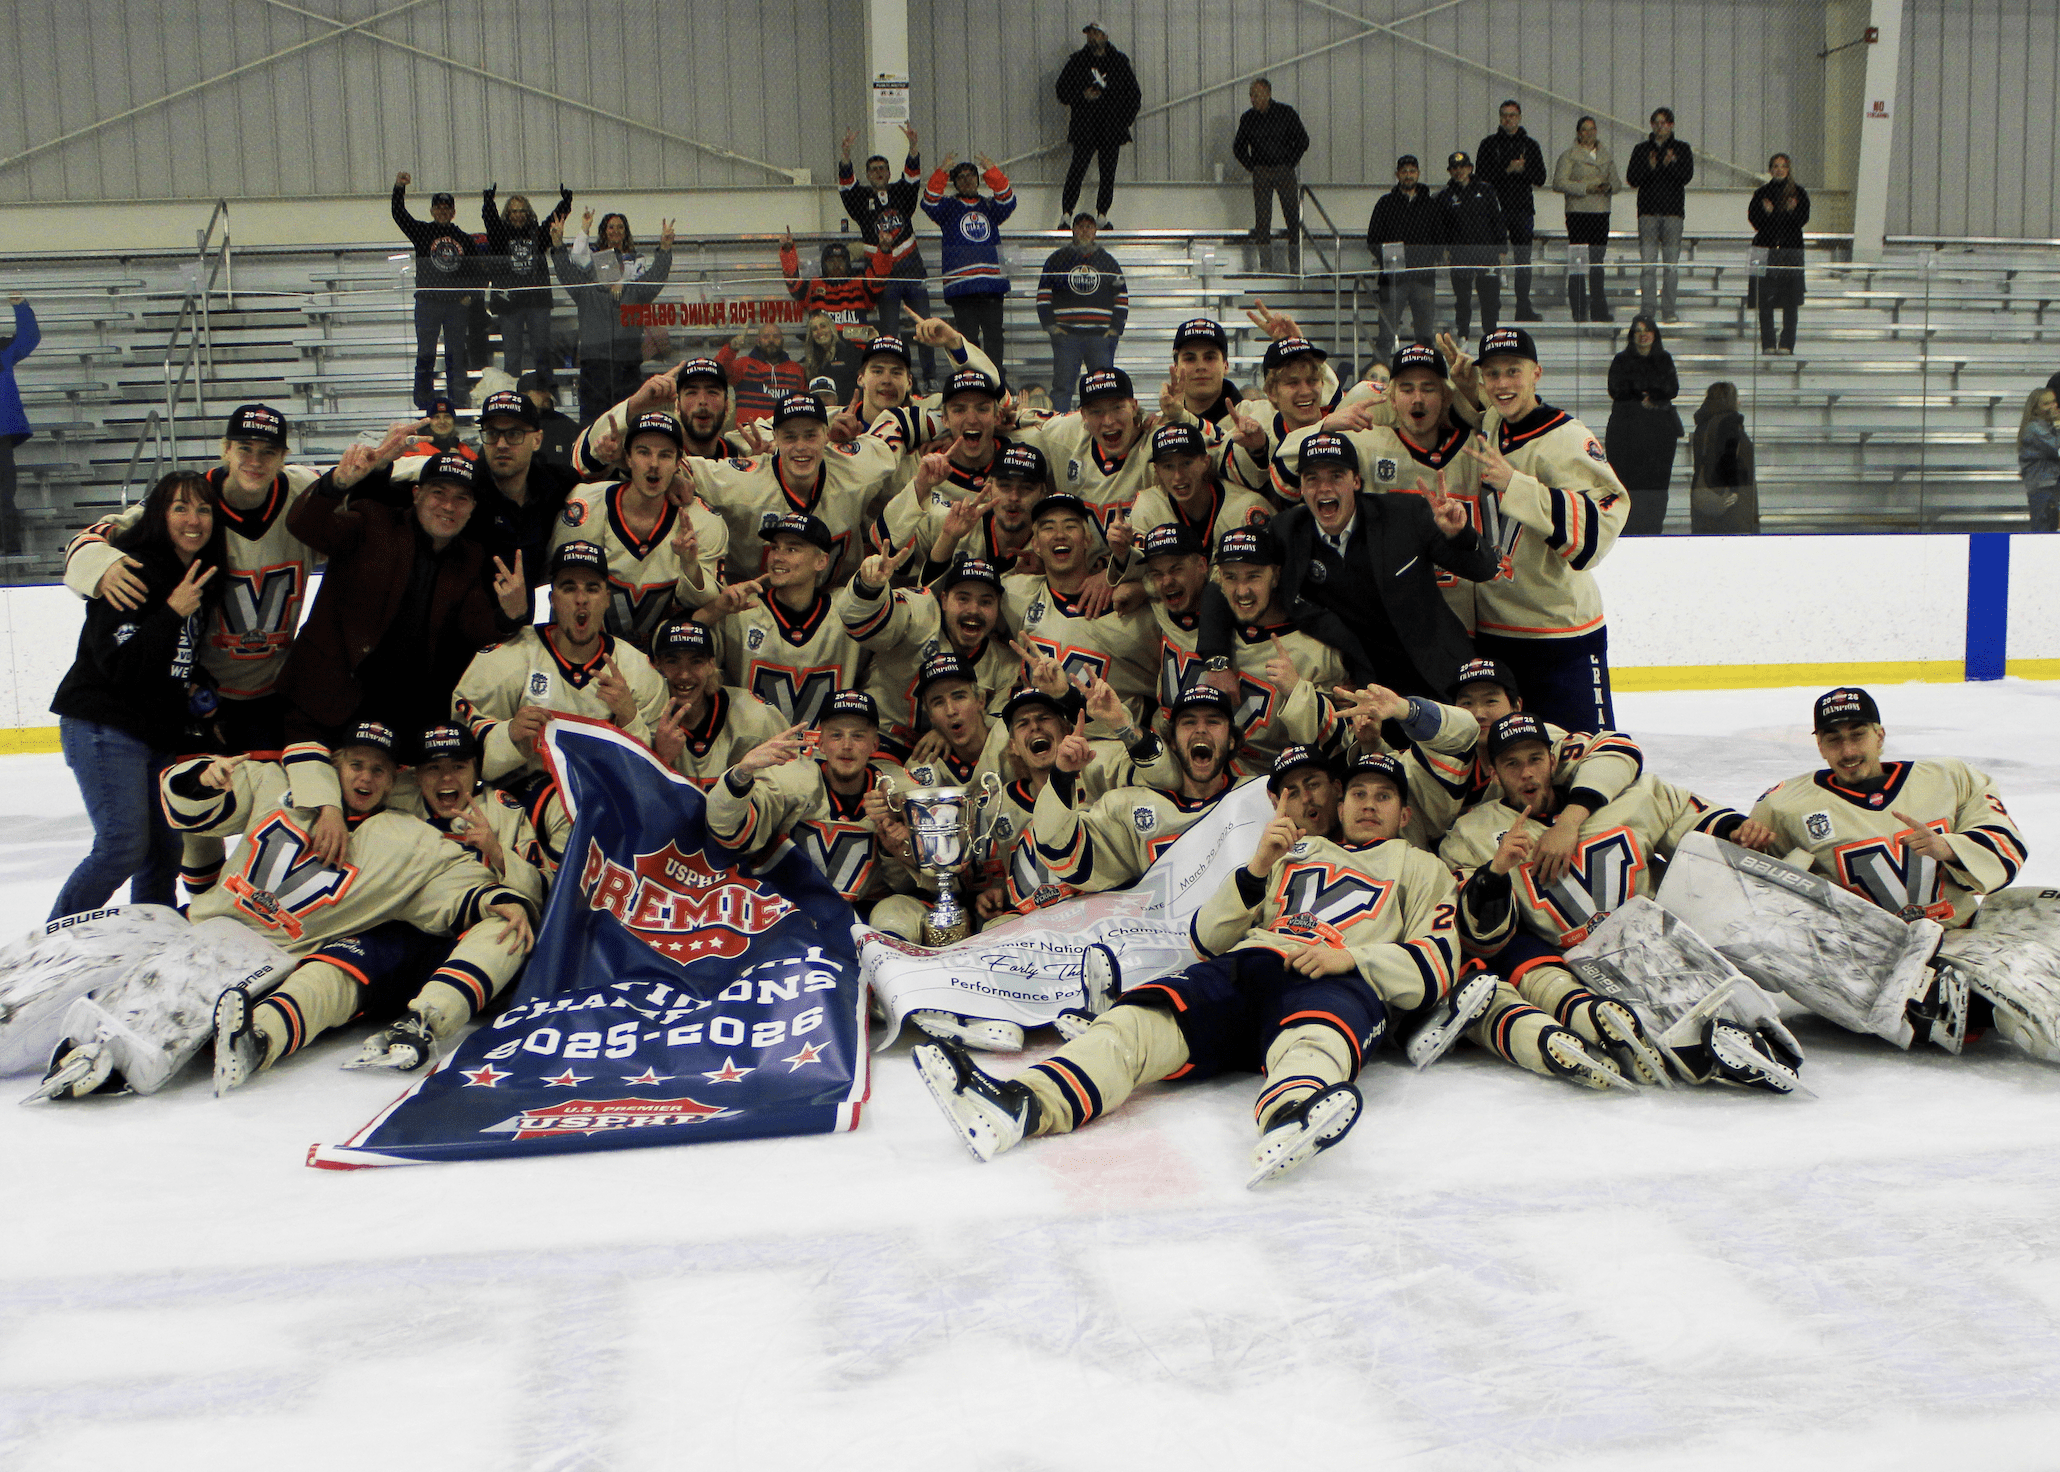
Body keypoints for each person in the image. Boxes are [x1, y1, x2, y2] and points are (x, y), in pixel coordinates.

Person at [914, 751, 1461, 1186]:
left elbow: (1438, 961)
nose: (1369, 805)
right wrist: (1256, 869)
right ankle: (1022, 1104)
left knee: (1316, 1037)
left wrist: (1354, 958)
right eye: (1359, 793)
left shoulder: (1421, 866)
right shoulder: (1296, 850)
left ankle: (1292, 1113)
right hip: (1250, 965)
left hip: (1334, 979)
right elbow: (1206, 938)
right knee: (1135, 1021)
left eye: (1384, 796)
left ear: (1405, 814)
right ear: (1341, 805)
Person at [1439, 712, 1755, 1090]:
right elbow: (1482, 939)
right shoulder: (1471, 833)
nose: (1527, 773)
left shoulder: (1624, 797)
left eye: (1535, 759)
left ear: (1552, 760)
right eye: (1512, 764)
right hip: (1576, 967)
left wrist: (1736, 829)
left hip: (1658, 943)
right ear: (1494, 772)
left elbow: (1681, 811)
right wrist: (1495, 873)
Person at [63, 404, 324, 755]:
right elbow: (103, 533)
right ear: (225, 449)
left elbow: (354, 485)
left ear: (283, 458)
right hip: (202, 695)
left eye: (268, 452)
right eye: (244, 448)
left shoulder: (302, 488)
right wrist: (102, 564)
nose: (255, 461)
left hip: (273, 694)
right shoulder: (190, 498)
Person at [47, 472, 225, 920]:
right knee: (122, 846)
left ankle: (151, 942)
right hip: (104, 725)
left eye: (203, 509)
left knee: (165, 850)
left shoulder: (196, 575)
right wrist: (172, 612)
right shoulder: (133, 570)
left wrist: (197, 686)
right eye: (180, 508)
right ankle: (55, 937)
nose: (194, 520)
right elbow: (121, 665)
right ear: (160, 515)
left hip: (153, 732)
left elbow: (174, 657)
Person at [281, 446, 528, 747]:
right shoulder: (372, 521)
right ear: (416, 494)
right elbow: (304, 524)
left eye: (461, 498)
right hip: (323, 702)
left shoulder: (469, 556)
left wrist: (510, 615)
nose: (448, 506)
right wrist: (336, 484)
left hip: (402, 715)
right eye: (438, 493)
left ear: (473, 507)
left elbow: (473, 628)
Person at [1457, 328, 1630, 730]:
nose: (1502, 383)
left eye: (1513, 371)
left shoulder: (1568, 438)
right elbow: (1478, 411)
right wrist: (1464, 391)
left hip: (1561, 636)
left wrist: (1515, 485)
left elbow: (1603, 525)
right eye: (1492, 374)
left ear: (1536, 373)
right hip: (1496, 634)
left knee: (1582, 750)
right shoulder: (1493, 423)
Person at [1253, 430, 1496, 696]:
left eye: (1336, 476)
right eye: (1312, 478)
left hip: (1440, 672)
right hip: (1367, 685)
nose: (1324, 488)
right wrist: (1219, 659)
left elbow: (1483, 569)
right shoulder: (1286, 531)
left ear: (1356, 481)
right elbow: (1236, 576)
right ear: (1301, 488)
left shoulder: (1405, 514)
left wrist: (1459, 534)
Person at [691, 513, 864, 728]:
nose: (777, 557)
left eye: (792, 549)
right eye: (774, 547)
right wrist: (716, 609)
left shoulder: (846, 612)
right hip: (753, 745)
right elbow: (685, 640)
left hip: (827, 747)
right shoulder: (742, 609)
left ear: (821, 561)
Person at [549, 210, 675, 426]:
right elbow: (565, 272)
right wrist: (558, 245)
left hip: (627, 366)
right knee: (592, 424)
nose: (609, 270)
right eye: (604, 265)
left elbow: (656, 277)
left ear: (623, 268)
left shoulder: (634, 292)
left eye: (615, 265)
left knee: (629, 423)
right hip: (594, 368)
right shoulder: (586, 292)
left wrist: (664, 248)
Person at [839, 123, 937, 389]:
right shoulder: (859, 199)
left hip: (912, 269)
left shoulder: (901, 193)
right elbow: (846, 186)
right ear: (867, 175)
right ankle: (899, 382)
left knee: (925, 327)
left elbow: (912, 178)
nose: (879, 172)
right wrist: (846, 156)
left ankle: (929, 379)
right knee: (890, 333)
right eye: (873, 169)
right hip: (883, 274)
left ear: (889, 172)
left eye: (883, 168)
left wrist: (913, 148)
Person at [392, 172, 483, 409]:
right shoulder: (422, 232)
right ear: (432, 211)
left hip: (455, 306)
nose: (442, 212)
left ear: (453, 212)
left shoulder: (464, 239)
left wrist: (468, 296)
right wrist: (399, 188)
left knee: (456, 354)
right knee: (425, 354)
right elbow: (399, 215)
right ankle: (424, 403)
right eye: (438, 208)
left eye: (446, 208)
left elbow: (479, 273)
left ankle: (458, 401)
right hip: (428, 302)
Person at [922, 155, 1016, 363]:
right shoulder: (948, 208)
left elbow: (1008, 201)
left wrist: (992, 171)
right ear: (954, 183)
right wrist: (942, 172)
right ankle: (972, 375)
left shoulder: (990, 206)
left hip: (991, 284)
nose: (967, 180)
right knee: (967, 337)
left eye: (971, 175)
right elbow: (929, 201)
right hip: (962, 286)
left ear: (978, 179)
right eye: (961, 177)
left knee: (994, 335)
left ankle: (996, 376)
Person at [481, 183, 573, 385]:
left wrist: (565, 202)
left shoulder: (537, 235)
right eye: (513, 211)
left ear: (528, 213)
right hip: (509, 303)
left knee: (541, 352)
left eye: (522, 211)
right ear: (507, 214)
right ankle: (512, 395)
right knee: (512, 355)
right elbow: (490, 221)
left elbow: (554, 220)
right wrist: (488, 202)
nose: (518, 215)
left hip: (536, 302)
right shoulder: (499, 236)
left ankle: (545, 393)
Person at [1037, 215, 1129, 413]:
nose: (1085, 231)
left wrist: (1115, 329)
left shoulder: (1108, 262)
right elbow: (1043, 295)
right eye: (1080, 227)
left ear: (1095, 231)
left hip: (1099, 338)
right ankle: (1060, 426)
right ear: (1073, 230)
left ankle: (1101, 425)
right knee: (1062, 388)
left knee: (1103, 389)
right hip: (1067, 337)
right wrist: (1052, 327)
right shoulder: (1057, 260)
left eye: (1089, 227)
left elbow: (1121, 296)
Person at [1055, 22, 1141, 228]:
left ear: (1105, 36)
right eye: (1089, 33)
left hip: (1111, 128)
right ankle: (1066, 215)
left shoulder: (1119, 62)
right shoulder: (1077, 61)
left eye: (1096, 33)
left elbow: (1134, 95)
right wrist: (1081, 96)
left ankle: (1102, 216)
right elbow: (1061, 90)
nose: (1092, 37)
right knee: (1076, 171)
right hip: (1085, 126)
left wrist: (1123, 121)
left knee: (1108, 173)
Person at [1606, 316, 1682, 535]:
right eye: (1638, 331)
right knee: (1626, 486)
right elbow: (1615, 389)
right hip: (1626, 436)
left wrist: (1655, 396)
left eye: (1647, 330)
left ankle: (1653, 530)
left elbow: (1672, 388)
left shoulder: (1664, 359)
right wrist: (1643, 396)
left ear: (1655, 334)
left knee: (1655, 489)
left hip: (1659, 438)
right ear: (1632, 335)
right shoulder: (1621, 360)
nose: (1643, 335)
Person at [1476, 101, 1547, 322]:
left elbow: (1541, 178)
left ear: (1519, 117)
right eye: (1504, 115)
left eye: (1513, 115)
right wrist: (1507, 170)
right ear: (1499, 118)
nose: (1508, 119)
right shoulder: (1488, 145)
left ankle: (1523, 306)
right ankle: (1491, 305)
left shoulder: (1530, 145)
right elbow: (1481, 177)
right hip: (1494, 210)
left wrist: (1522, 170)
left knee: (1523, 259)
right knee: (1492, 258)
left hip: (1522, 209)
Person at [1366, 156, 1441, 356]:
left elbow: (1440, 238)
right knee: (1386, 334)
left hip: (1423, 277)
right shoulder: (1385, 203)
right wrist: (1389, 258)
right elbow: (1373, 239)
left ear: (1418, 173)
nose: (1408, 175)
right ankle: (1380, 370)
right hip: (1392, 279)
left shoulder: (1431, 204)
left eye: (1412, 171)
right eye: (1404, 171)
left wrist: (1429, 259)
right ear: (1397, 174)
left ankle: (1426, 369)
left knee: (1425, 335)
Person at [1627, 108, 1694, 324]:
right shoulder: (1641, 150)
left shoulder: (1682, 149)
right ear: (1651, 125)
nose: (1660, 126)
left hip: (1673, 214)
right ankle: (1647, 310)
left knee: (1671, 267)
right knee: (1648, 266)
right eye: (1656, 122)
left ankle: (1668, 310)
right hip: (1648, 213)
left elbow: (1686, 176)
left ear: (1671, 125)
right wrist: (1651, 168)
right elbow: (1632, 179)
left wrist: (1669, 165)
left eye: (1664, 122)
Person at [1233, 78, 1309, 266]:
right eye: (1251, 95)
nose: (1253, 99)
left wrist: (1290, 163)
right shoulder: (1248, 118)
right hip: (1261, 172)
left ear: (1268, 94)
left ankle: (1295, 263)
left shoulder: (1286, 113)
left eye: (1256, 95)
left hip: (1284, 169)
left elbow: (1303, 140)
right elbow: (1238, 147)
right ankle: (1265, 265)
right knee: (1262, 221)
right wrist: (1253, 166)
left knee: (1292, 217)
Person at [1551, 117, 1619, 323]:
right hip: (1578, 214)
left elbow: (1617, 183)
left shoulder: (1606, 155)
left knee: (1597, 263)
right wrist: (1586, 188)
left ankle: (1599, 309)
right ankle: (1579, 309)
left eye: (1592, 129)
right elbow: (1558, 182)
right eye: (1585, 129)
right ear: (1578, 133)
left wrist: (1608, 187)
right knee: (1578, 263)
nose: (1589, 133)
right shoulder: (1569, 156)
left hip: (1601, 213)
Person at [1436, 151, 1507, 341]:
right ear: (1449, 171)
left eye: (1462, 167)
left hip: (1487, 254)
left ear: (1470, 168)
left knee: (1490, 300)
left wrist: (1502, 250)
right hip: (1460, 255)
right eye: (1454, 168)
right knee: (1462, 300)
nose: (1459, 171)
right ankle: (1463, 336)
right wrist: (1444, 251)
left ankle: (1490, 335)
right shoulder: (1444, 196)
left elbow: (1497, 220)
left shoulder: (1486, 190)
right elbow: (1441, 228)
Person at [778, 231, 909, 328]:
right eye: (831, 261)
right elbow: (793, 285)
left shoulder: (859, 282)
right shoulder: (814, 284)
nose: (836, 265)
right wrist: (788, 251)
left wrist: (884, 250)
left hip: (856, 348)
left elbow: (879, 279)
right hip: (823, 346)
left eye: (840, 261)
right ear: (823, 264)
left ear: (848, 264)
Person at [1748, 154, 1811, 355]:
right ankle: (1767, 343)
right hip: (1762, 249)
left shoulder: (1799, 193)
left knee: (1790, 301)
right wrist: (1767, 213)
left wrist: (1791, 211)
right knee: (1763, 299)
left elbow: (1802, 220)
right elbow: (1755, 222)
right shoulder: (1761, 193)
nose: (1779, 169)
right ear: (1770, 169)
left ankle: (1786, 344)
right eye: (1775, 166)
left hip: (1790, 250)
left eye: (1783, 166)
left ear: (1788, 169)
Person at [1688, 381, 1757, 533]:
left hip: (1705, 499)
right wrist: (1735, 490)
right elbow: (1728, 460)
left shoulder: (1703, 426)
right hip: (1730, 504)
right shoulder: (1728, 424)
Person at [0, 292, 38, 556]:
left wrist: (21, 307)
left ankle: (10, 547)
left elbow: (28, 338)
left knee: (4, 496)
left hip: (1, 435)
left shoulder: (2, 349)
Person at [717, 321, 807, 425]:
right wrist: (731, 349)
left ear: (782, 341)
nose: (771, 340)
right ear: (757, 341)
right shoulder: (744, 364)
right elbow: (717, 373)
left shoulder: (796, 370)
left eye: (776, 337)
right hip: (749, 431)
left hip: (784, 431)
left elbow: (804, 406)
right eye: (766, 337)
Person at [2018, 387, 2060, 532]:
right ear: (2035, 409)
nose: (2053, 407)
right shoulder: (2034, 429)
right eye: (2046, 404)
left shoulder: (2048, 427)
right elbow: (2057, 449)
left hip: (2052, 486)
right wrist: (2058, 423)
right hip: (2043, 487)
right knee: (2043, 531)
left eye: (2053, 401)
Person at [801, 313, 865, 404]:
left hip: (847, 408)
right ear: (811, 335)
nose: (819, 331)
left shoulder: (850, 352)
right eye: (815, 329)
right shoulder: (809, 362)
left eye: (823, 326)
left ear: (831, 329)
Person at [522, 374, 578, 469]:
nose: (548, 395)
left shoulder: (564, 424)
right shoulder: (514, 423)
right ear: (524, 394)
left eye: (548, 391)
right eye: (542, 391)